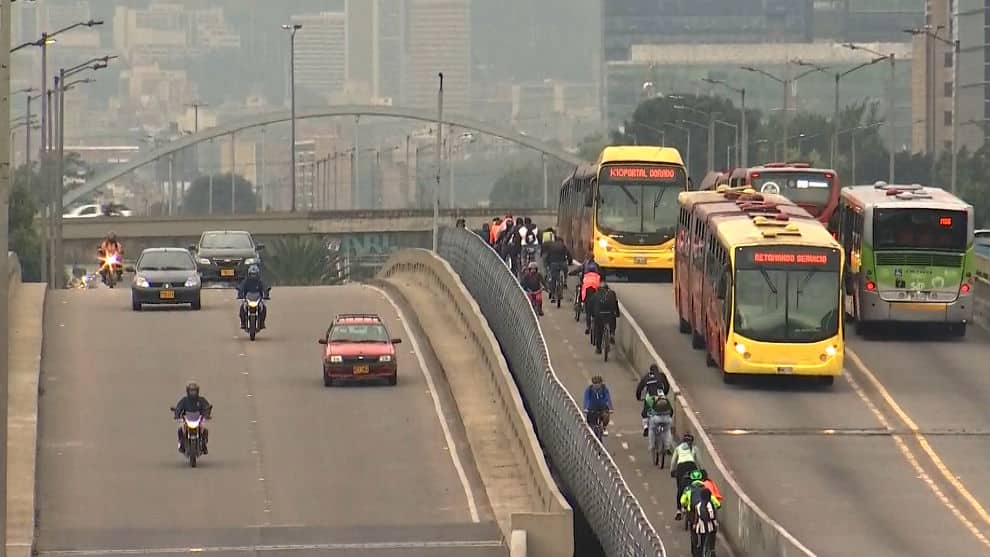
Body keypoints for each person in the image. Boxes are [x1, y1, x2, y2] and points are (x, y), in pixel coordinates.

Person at [173, 381, 212, 454]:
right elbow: (178, 407)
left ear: (197, 391)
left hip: (198, 419)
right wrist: (177, 414)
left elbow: (206, 407)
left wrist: (207, 415)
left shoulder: (201, 400)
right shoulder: (184, 400)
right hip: (187, 419)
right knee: (180, 430)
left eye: (194, 391)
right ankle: (181, 445)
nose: (193, 393)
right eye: (191, 391)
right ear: (188, 391)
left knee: (205, 430)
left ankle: (204, 445)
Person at [671, 432, 701, 519]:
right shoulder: (695, 448)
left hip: (681, 468)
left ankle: (679, 510)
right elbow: (699, 461)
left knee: (680, 489)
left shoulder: (678, 448)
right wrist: (702, 471)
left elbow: (673, 461)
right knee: (695, 485)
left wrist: (672, 471)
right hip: (692, 466)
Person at [636, 364, 671, 434]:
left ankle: (646, 427)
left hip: (650, 397)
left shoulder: (646, 377)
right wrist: (665, 394)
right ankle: (667, 425)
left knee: (645, 412)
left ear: (650, 370)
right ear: (657, 370)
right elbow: (667, 386)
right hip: (660, 396)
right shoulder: (661, 375)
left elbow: (639, 388)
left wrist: (638, 397)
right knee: (670, 410)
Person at [237, 264, 269, 330]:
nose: (253, 275)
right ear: (249, 274)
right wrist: (240, 295)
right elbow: (241, 288)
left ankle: (262, 323)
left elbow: (265, 288)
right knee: (242, 309)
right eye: (252, 274)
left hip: (258, 299)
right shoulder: (245, 281)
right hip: (248, 299)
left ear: (257, 274)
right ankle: (243, 323)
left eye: (254, 274)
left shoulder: (260, 281)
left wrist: (266, 295)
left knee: (264, 308)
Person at [591, 280, 620, 354]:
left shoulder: (595, 294)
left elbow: (591, 306)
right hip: (609, 314)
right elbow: (616, 304)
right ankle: (612, 333)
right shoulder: (612, 293)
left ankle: (598, 348)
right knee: (613, 318)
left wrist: (592, 315)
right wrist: (617, 314)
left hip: (599, 315)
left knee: (599, 330)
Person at [642, 391, 674, 455]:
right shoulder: (666, 400)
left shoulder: (654, 400)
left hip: (656, 420)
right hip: (666, 419)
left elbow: (650, 412)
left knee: (651, 429)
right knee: (667, 431)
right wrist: (669, 417)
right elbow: (671, 411)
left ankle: (652, 446)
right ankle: (667, 447)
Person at [543, 237, 572, 303]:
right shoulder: (563, 245)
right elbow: (568, 254)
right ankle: (565, 281)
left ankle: (553, 294)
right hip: (563, 263)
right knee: (565, 270)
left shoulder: (551, 246)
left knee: (553, 279)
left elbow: (548, 256)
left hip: (553, 264)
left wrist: (548, 264)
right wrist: (570, 261)